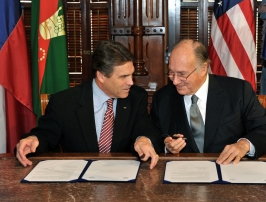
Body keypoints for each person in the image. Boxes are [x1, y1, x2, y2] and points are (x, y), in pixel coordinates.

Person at [16, 39, 160, 169]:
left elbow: (144, 128)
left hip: (122, 178)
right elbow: (46, 135)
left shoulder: (136, 97)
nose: (131, 82)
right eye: (123, 76)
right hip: (78, 182)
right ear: (101, 76)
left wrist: (143, 140)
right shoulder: (65, 102)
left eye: (131, 74)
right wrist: (33, 140)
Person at [150, 39, 266, 165]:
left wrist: (244, 145)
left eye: (182, 74)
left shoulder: (238, 91)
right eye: (171, 73)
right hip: (181, 177)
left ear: (203, 68)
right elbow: (153, 137)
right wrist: (167, 147)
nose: (175, 81)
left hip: (229, 172)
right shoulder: (162, 98)